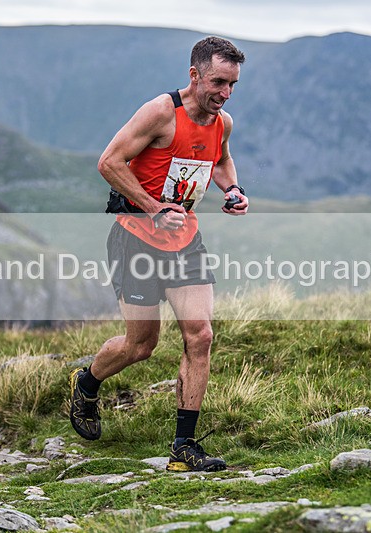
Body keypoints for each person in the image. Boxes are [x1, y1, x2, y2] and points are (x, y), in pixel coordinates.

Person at [68, 36, 248, 472]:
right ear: (194, 75)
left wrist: (233, 189)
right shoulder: (161, 113)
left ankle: (183, 448)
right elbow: (109, 162)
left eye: (232, 85)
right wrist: (153, 207)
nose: (224, 93)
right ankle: (87, 382)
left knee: (200, 335)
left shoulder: (221, 122)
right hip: (136, 239)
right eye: (218, 82)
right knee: (140, 345)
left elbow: (220, 160)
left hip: (185, 241)